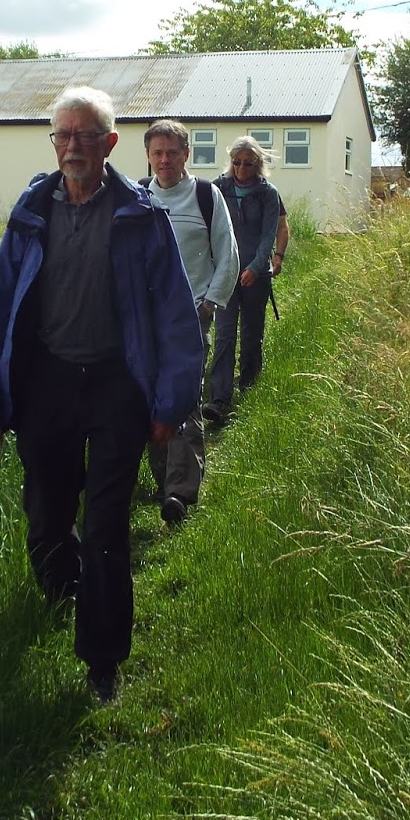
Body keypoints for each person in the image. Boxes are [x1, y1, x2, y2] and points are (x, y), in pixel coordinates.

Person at [0, 86, 203, 704]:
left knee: (105, 528)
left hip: (118, 387)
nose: (72, 147)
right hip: (48, 384)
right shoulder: (31, 214)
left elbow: (175, 315)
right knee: (46, 520)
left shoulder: (141, 217)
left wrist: (170, 404)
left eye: (85, 136)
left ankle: (103, 659)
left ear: (110, 145)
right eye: (62, 136)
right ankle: (69, 592)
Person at [140, 119, 237, 524]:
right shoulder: (137, 197)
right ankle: (164, 479)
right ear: (148, 156)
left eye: (172, 152)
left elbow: (228, 254)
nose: (164, 160)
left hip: (191, 317)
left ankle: (180, 491)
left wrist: (210, 303)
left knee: (184, 398)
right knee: (148, 399)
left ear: (186, 155)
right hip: (144, 320)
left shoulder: (205, 196)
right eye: (157, 152)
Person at [205, 136, 283, 424]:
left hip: (256, 275)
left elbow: (268, 235)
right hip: (225, 273)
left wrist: (255, 266)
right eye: (236, 162)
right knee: (224, 335)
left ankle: (248, 392)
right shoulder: (218, 188)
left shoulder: (268, 193)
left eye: (248, 164)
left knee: (251, 336)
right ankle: (219, 400)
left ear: (258, 164)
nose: (240, 169)